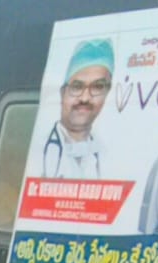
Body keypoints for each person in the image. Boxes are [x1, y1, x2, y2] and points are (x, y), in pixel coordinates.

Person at [42, 38, 113, 179]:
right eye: (77, 87)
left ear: (107, 93)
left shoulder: (107, 155)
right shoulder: (37, 149)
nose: (85, 98)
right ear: (63, 93)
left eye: (97, 87)